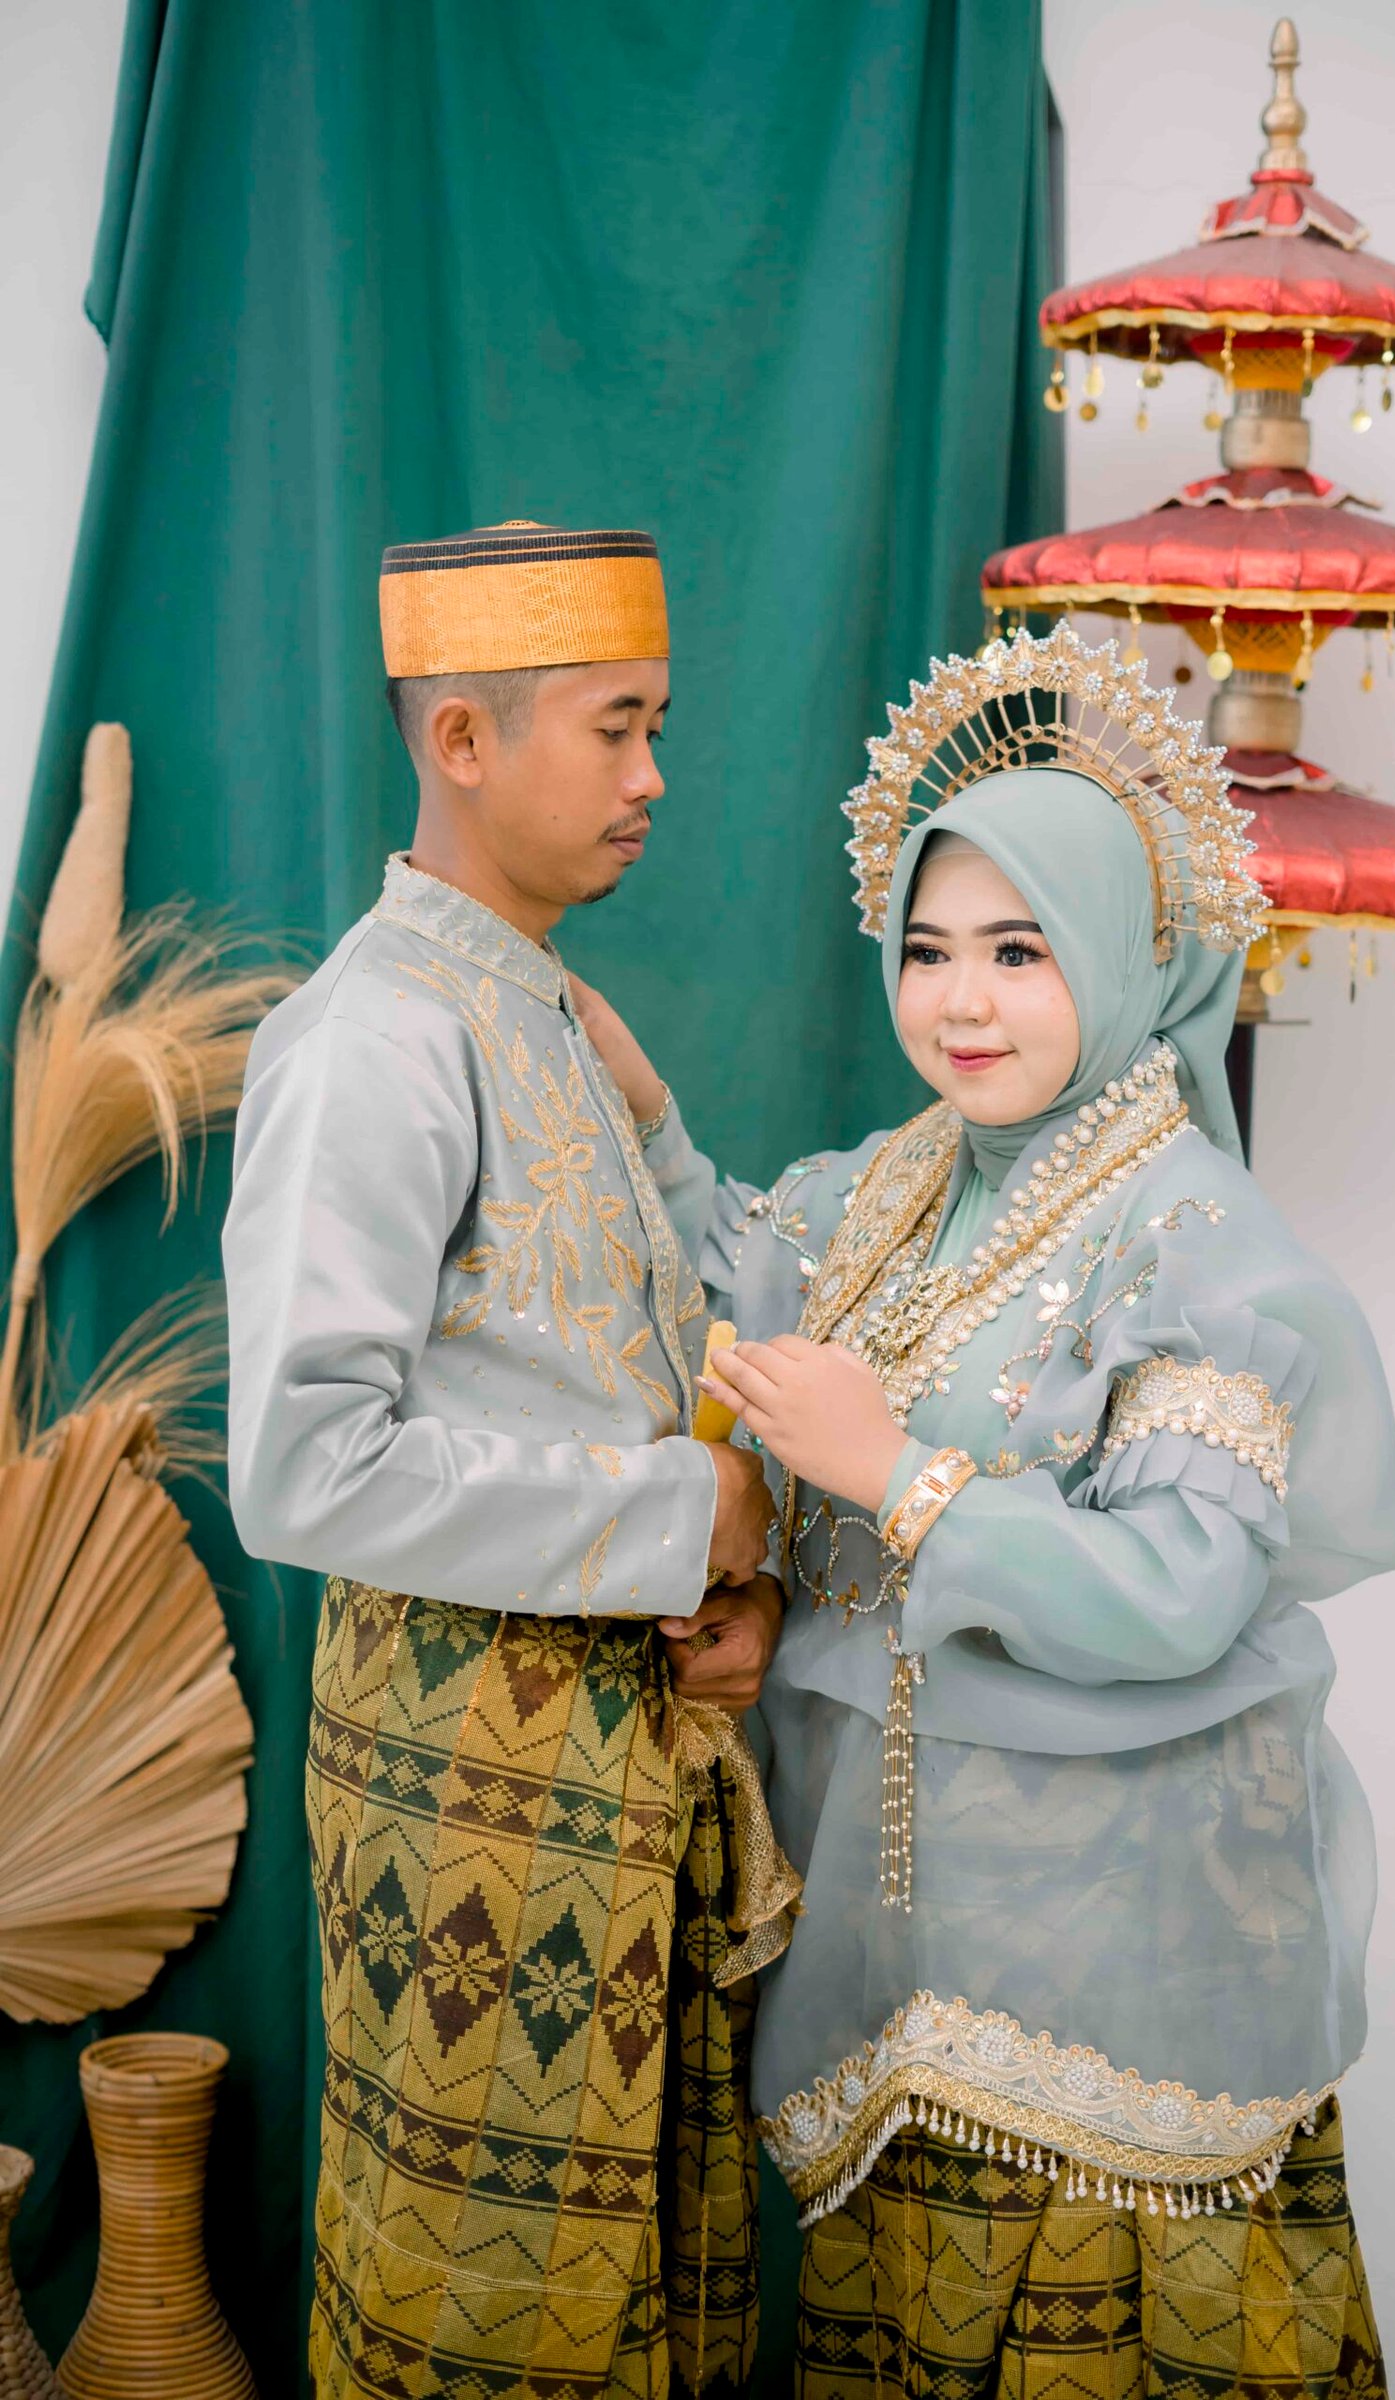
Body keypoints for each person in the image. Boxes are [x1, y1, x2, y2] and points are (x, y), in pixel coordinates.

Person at [575, 623, 1395, 2398]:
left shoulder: (1194, 1240)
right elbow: (749, 1280)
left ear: (1122, 952)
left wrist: (893, 1471)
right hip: (897, 1941)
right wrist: (643, 1118)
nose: (960, 1005)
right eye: (929, 949)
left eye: (1020, 952)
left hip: (1113, 1950)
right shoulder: (895, 1184)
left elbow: (1180, 1587)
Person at [223, 517, 781, 2399]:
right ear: (462, 741)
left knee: (635, 2301)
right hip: (467, 1793)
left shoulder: (540, 1012)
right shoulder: (373, 1038)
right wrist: (684, 1516)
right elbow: (305, 1470)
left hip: (618, 1772)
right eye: (617, 728)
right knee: (481, 2321)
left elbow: (597, 1369)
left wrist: (728, 1573)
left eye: (657, 728)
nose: (654, 777)